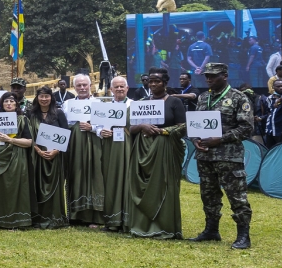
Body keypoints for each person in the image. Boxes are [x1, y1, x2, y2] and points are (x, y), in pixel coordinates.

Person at [188, 62, 255, 249]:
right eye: (207, 76)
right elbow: (195, 125)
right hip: (205, 156)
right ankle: (211, 230)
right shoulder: (202, 98)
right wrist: (195, 140)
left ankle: (243, 235)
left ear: (225, 76)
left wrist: (221, 139)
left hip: (228, 157)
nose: (209, 79)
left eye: (213, 76)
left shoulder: (238, 98)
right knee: (208, 195)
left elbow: (247, 128)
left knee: (237, 196)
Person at [126, 68, 186, 239]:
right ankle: (141, 226)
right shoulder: (142, 102)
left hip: (165, 150)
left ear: (165, 83)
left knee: (164, 185)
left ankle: (164, 227)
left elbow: (183, 126)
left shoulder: (174, 102)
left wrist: (163, 132)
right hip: (142, 150)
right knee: (141, 186)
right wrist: (142, 126)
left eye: (157, 81)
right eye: (151, 81)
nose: (153, 84)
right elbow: (131, 128)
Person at [0, 92, 34, 229]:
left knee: (15, 187)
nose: (9, 104)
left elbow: (29, 142)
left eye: (12, 101)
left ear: (17, 104)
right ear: (1, 104)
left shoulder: (23, 119)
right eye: (6, 101)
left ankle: (17, 221)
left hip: (16, 157)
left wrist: (10, 140)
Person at [63, 73, 105, 228]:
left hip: (94, 144)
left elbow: (105, 126)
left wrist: (92, 127)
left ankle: (95, 216)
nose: (82, 88)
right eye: (79, 85)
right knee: (76, 174)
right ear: (74, 87)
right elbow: (63, 125)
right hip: (74, 145)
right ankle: (75, 215)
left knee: (95, 175)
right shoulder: (67, 104)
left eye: (84, 85)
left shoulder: (98, 103)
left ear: (90, 86)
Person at [26, 87, 68, 229]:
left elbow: (66, 134)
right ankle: (38, 219)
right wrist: (37, 150)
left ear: (51, 97)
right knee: (37, 185)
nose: (44, 99)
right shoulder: (31, 114)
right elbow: (28, 135)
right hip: (36, 156)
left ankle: (55, 218)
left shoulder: (59, 113)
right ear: (37, 98)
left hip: (54, 156)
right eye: (41, 96)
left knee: (54, 186)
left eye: (47, 96)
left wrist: (56, 151)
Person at [98, 76, 132, 231]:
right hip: (109, 147)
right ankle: (112, 219)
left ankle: (127, 219)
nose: (119, 89)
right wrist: (100, 131)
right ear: (111, 90)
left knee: (128, 180)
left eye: (122, 86)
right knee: (110, 179)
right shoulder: (103, 107)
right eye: (116, 87)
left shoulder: (134, 105)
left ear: (127, 88)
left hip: (128, 148)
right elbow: (96, 126)